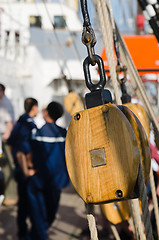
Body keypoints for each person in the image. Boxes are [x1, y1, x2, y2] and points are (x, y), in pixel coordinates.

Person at [27, 101, 70, 240]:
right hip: (57, 181)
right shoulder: (64, 134)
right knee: (51, 211)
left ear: (46, 113)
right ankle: (40, 233)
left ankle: (38, 234)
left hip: (40, 179)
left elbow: (29, 153)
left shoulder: (37, 133)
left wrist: (30, 168)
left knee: (40, 212)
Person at [7, 97, 38, 240]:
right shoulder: (29, 125)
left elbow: (11, 143)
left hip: (19, 168)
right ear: (34, 108)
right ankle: (31, 233)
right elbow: (27, 150)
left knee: (22, 203)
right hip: (27, 169)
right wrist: (28, 166)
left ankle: (22, 232)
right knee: (31, 202)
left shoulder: (19, 123)